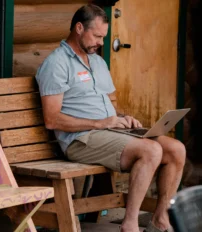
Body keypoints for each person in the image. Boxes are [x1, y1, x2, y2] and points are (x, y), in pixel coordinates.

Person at [35, 4, 185, 232]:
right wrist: (101, 123)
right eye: (96, 36)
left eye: (103, 37)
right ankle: (130, 224)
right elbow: (52, 120)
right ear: (78, 28)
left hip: (110, 131)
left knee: (176, 149)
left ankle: (160, 220)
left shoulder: (96, 61)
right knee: (151, 150)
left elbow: (108, 104)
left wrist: (123, 118)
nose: (101, 43)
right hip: (80, 139)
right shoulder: (56, 64)